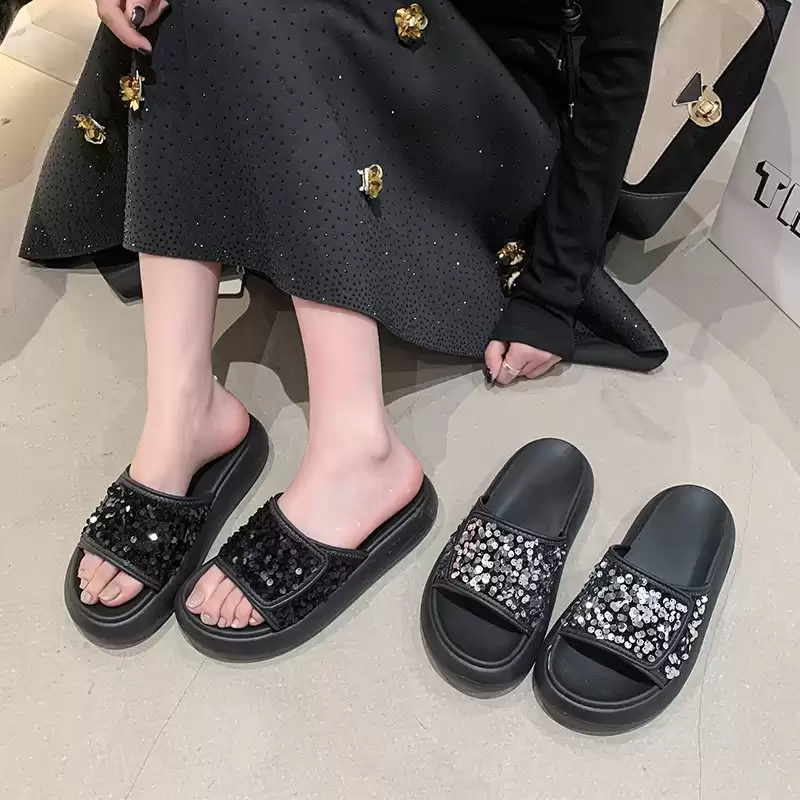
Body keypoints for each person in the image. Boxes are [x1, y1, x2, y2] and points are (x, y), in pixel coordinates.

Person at [20, 0, 665, 638]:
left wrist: (553, 289)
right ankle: (183, 412)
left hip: (475, 111)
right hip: (358, 42)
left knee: (284, 19)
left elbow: (619, 62)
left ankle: (357, 450)